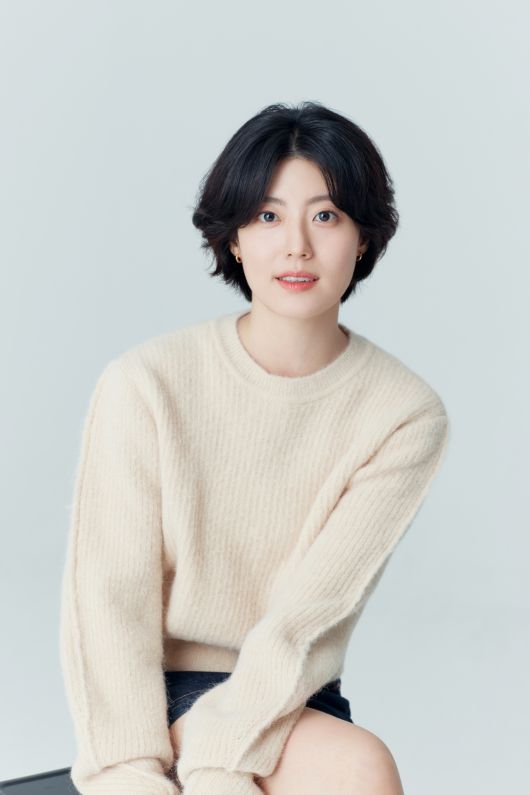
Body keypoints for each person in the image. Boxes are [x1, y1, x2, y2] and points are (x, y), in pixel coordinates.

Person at [59, 100, 450, 795]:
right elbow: (109, 602)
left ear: (363, 238)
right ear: (234, 238)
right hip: (160, 693)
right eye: (268, 216)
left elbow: (308, 619)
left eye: (326, 216)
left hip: (289, 693)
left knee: (362, 769)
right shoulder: (146, 384)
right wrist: (127, 769)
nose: (296, 245)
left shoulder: (402, 412)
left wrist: (220, 757)